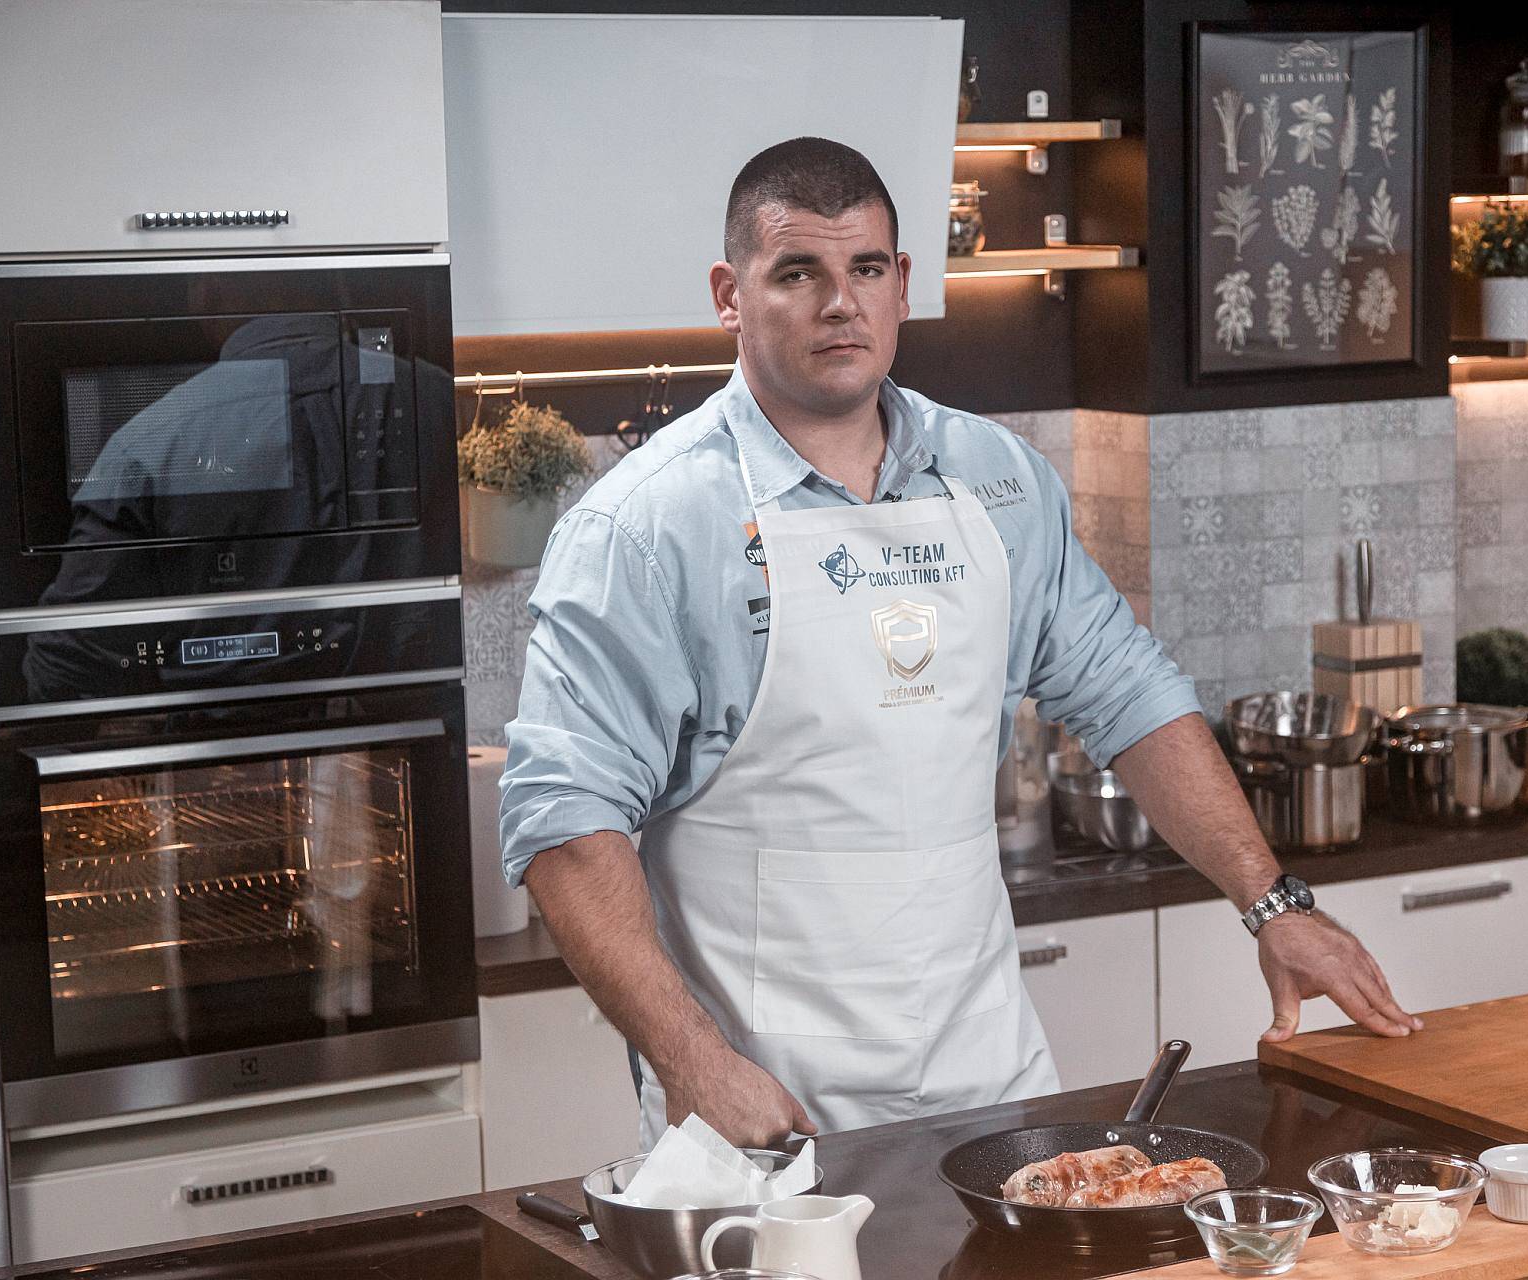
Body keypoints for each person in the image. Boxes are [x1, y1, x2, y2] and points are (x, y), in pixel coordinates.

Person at [500, 137, 1419, 1151]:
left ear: (903, 285)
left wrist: (1272, 902)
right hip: (766, 1116)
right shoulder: (646, 528)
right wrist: (693, 1062)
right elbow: (564, 821)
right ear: (730, 295)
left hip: (991, 1093)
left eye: (866, 269)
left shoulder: (997, 479)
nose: (839, 304)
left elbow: (1127, 691)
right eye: (798, 273)